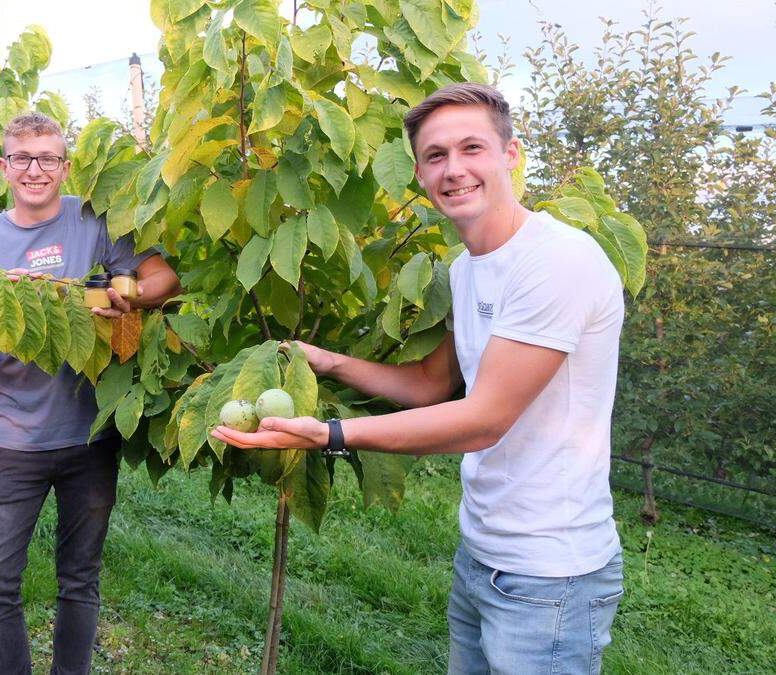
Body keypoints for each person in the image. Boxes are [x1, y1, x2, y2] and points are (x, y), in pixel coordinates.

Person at [213, 83, 626, 674]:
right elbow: (432, 386)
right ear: (420, 172)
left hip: (549, 574)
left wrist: (328, 433)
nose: (454, 169)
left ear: (510, 154)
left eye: (472, 148)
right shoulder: (465, 270)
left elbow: (483, 420)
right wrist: (327, 361)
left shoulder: (558, 261)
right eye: (435, 156)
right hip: (483, 553)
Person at [0, 112, 180, 674]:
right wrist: (9, 309)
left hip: (88, 436)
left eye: (47, 158)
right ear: (4, 168)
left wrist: (131, 297)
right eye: (22, 158)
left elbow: (162, 279)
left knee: (80, 578)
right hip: (14, 440)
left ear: (65, 167)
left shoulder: (93, 221)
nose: (35, 169)